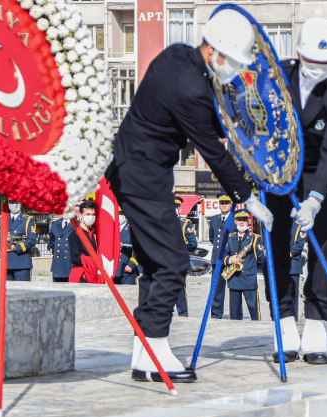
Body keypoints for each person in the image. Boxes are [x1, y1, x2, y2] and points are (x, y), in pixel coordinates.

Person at [103, 9, 273, 383]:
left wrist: (241, 119)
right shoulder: (190, 88)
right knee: (174, 262)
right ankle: (158, 349)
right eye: (233, 61)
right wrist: (246, 198)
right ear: (216, 52)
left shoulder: (176, 55)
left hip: (137, 170)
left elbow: (203, 117)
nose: (234, 70)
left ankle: (143, 354)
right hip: (141, 175)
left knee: (153, 263)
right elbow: (212, 150)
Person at [262, 17, 327, 365]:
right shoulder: (275, 78)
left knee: (320, 250)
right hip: (278, 173)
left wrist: (314, 201)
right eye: (313, 63)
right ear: (299, 55)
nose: (319, 69)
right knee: (279, 247)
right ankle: (284, 323)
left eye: (326, 65)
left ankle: (316, 326)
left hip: (317, 176)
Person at [223, 209, 265, 321]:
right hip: (234, 278)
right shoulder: (230, 237)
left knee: (254, 312)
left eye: (244, 220)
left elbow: (261, 259)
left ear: (248, 222)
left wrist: (251, 267)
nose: (242, 222)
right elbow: (223, 256)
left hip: (249, 278)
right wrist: (230, 260)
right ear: (235, 221)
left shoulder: (255, 238)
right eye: (239, 220)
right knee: (234, 314)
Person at [0, 201, 36, 281]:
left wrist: (15, 248)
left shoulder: (28, 220)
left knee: (22, 292)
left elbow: (31, 240)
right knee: (8, 292)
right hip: (6, 262)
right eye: (11, 202)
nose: (14, 204)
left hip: (21, 262)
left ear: (21, 203)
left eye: (16, 202)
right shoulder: (2, 219)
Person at [209, 192, 234, 319]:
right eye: (221, 203)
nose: (223, 205)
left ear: (231, 204)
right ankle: (216, 313)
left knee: (235, 288)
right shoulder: (213, 220)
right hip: (217, 260)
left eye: (226, 203)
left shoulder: (236, 219)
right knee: (216, 289)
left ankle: (236, 314)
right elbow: (212, 238)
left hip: (231, 260)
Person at [175, 196, 198, 317]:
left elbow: (193, 244)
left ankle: (183, 314)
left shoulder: (185, 223)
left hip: (179, 262)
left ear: (179, 208)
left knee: (179, 290)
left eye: (175, 206)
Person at [68, 200, 101, 283]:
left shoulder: (95, 233)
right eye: (88, 214)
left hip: (95, 273)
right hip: (82, 276)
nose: (91, 217)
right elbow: (74, 258)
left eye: (93, 214)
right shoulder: (75, 234)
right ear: (81, 215)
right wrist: (93, 260)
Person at [115, 207, 140, 285]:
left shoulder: (133, 228)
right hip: (113, 270)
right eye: (118, 213)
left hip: (127, 270)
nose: (120, 216)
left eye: (121, 213)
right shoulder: (111, 228)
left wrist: (131, 264)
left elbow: (140, 249)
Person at [48, 210, 75, 283]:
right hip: (58, 265)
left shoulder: (77, 223)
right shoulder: (55, 224)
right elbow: (51, 244)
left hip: (71, 264)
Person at [289, 221, 308, 319]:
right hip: (279, 265)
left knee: (293, 296)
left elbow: (299, 245)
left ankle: (294, 319)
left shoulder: (300, 225)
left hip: (293, 266)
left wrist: (283, 255)